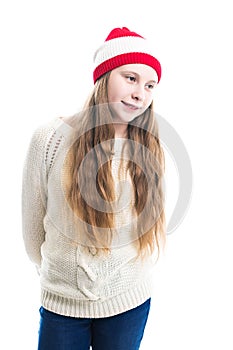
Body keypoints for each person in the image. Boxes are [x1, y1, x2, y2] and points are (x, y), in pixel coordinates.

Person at [22, 26, 166, 350]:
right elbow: (33, 230)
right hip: (62, 305)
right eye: (130, 78)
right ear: (103, 78)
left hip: (129, 302)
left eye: (149, 85)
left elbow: (145, 228)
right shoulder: (50, 139)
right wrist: (60, 278)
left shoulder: (148, 148)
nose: (140, 93)